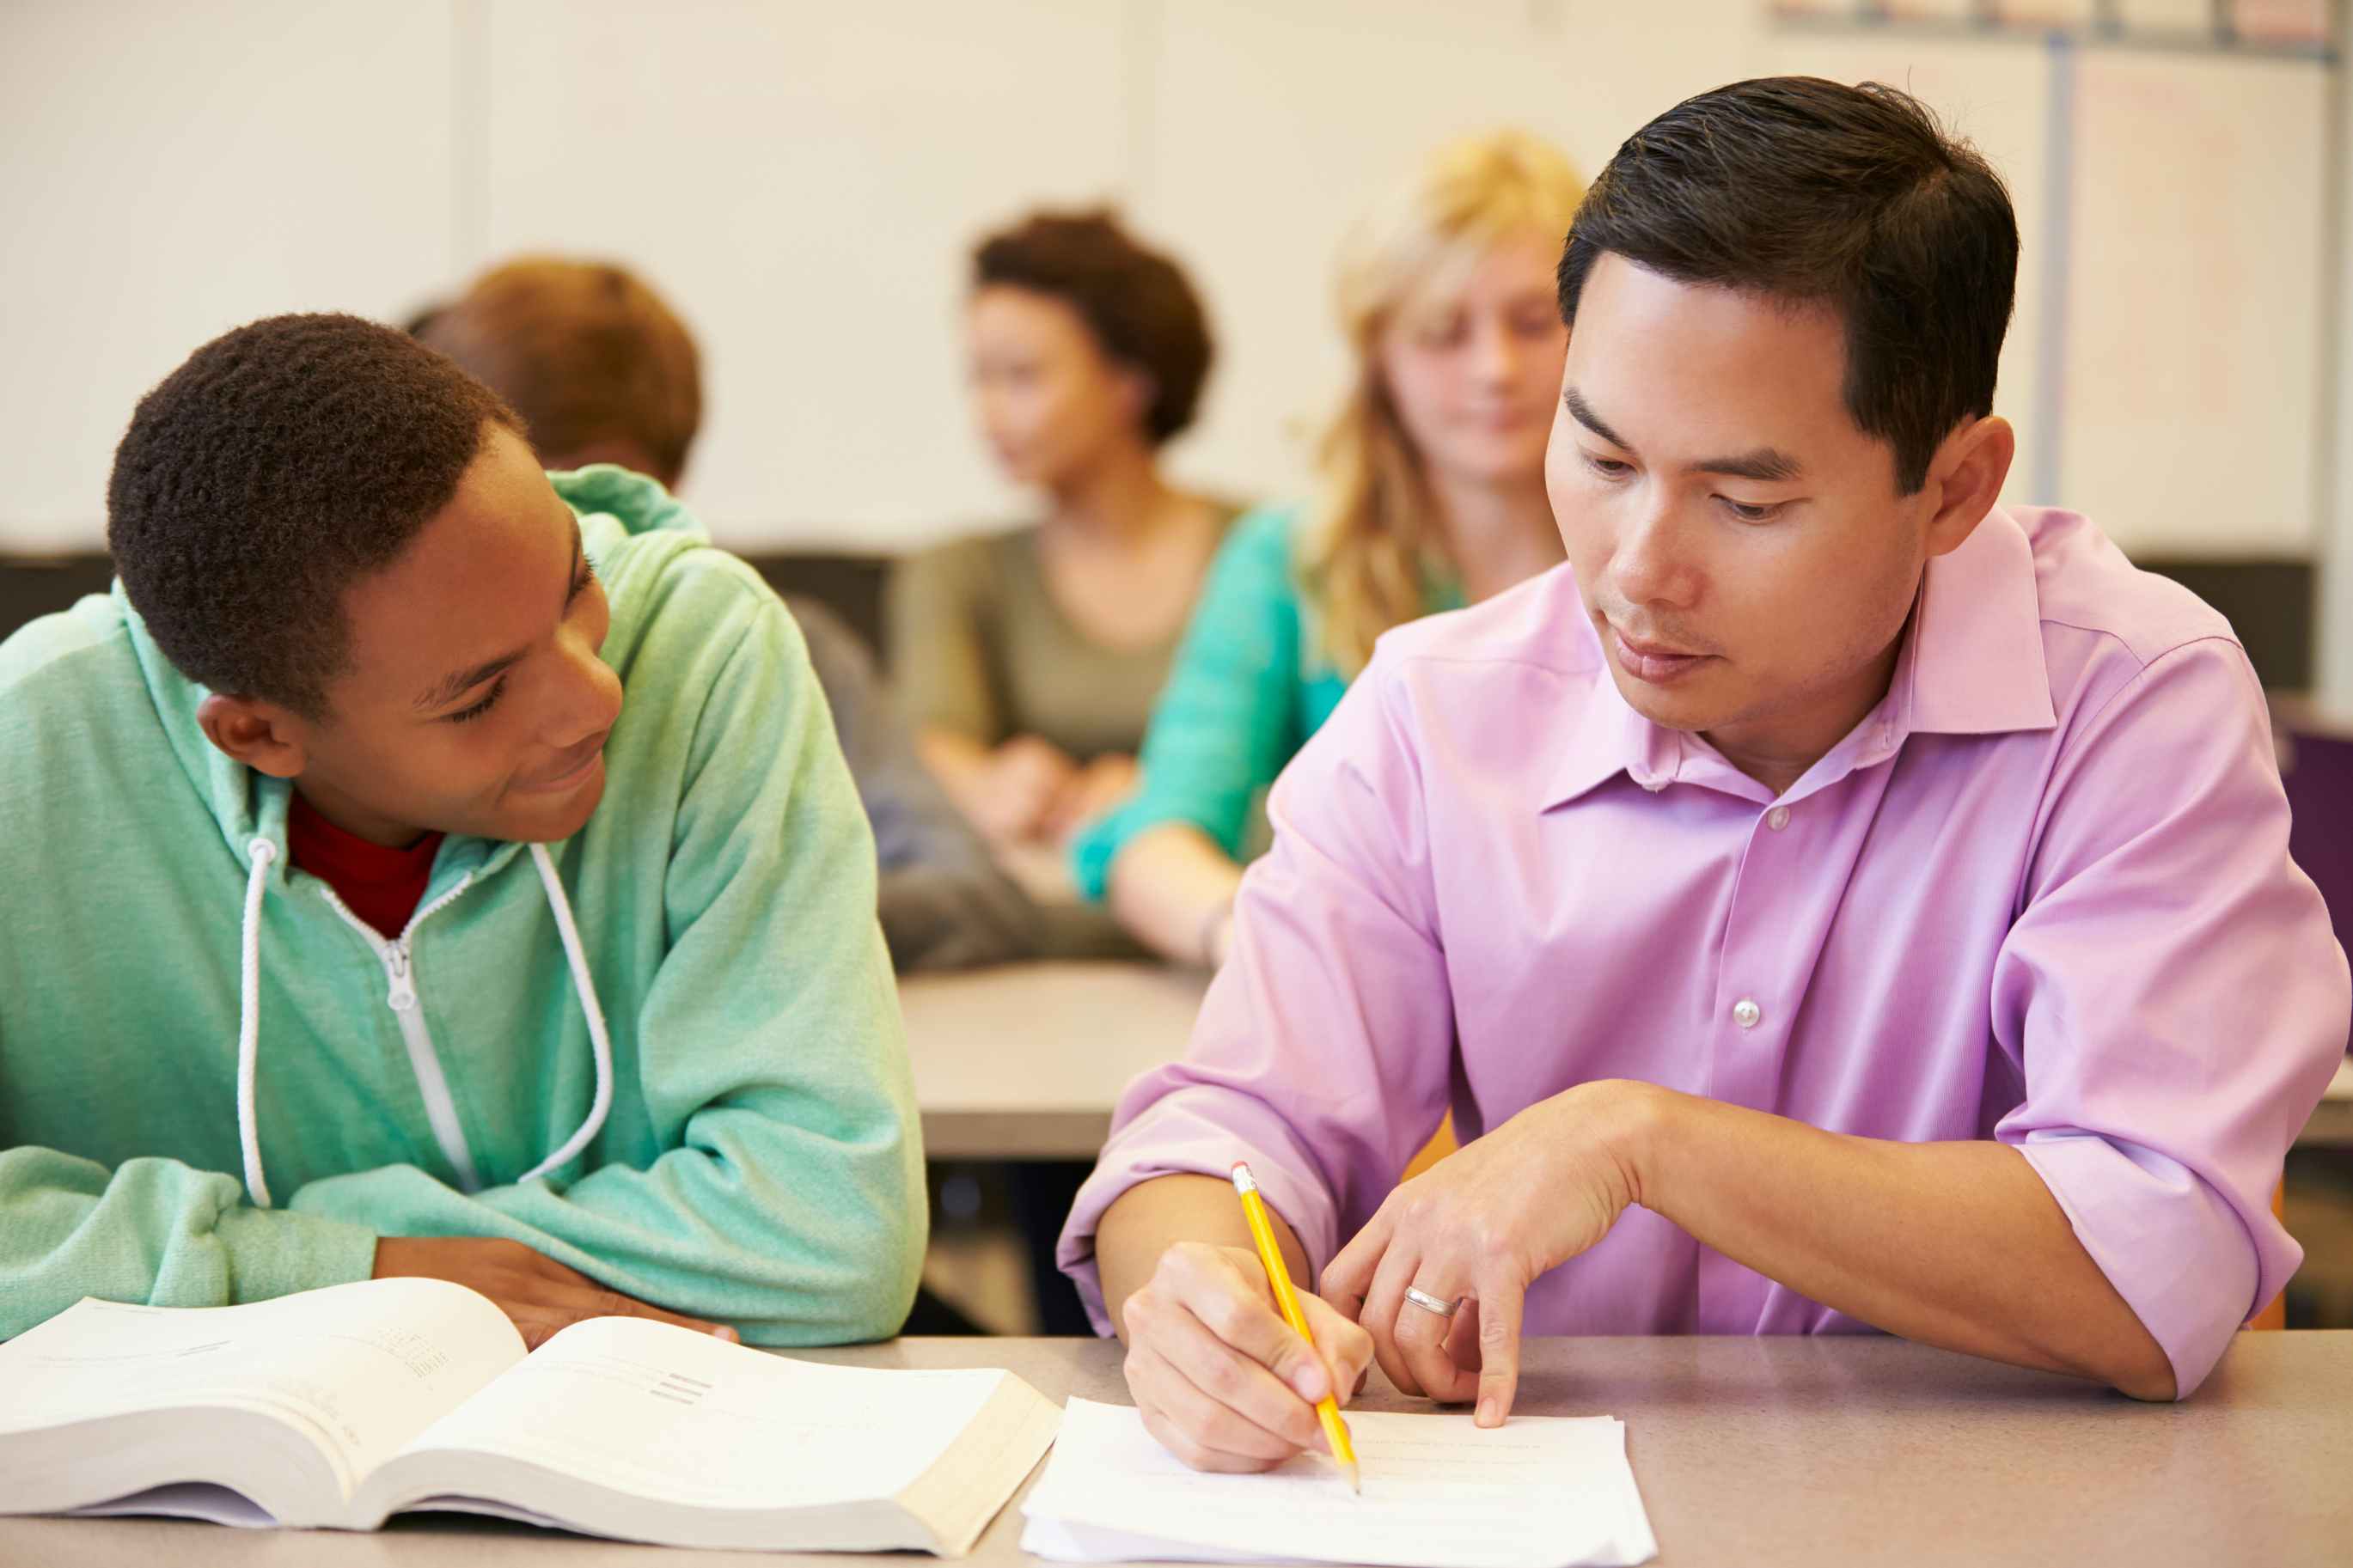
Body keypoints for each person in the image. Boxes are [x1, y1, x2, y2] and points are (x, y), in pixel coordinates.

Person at [1061, 77, 2350, 1473]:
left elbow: (2153, 1252)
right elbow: (1228, 1128)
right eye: (1599, 455)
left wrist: (1645, 1145)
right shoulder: (1438, 711)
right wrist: (1193, 1291)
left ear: (1957, 490)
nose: (1634, 568)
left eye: (1744, 503)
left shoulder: (2127, 697)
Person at [0, 314, 925, 1347]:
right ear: (259, 732)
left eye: (577, 585)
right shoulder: (26, 751)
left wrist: (300, 1265)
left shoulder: (707, 649)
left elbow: (835, 1237)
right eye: (481, 694)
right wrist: (349, 1267)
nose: (596, 698)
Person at [416, 256, 1037, 973]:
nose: (553, 546)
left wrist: (717, 919)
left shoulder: (776, 641)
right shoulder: (392, 663)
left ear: (661, 488)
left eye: (590, 504)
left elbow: (977, 898)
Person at [1073, 131, 1584, 966]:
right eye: (1440, 332)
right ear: (1378, 358)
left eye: (1533, 323)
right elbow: (1156, 837)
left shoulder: (1659, 557)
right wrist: (1262, 941)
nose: (1492, 368)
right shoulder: (1286, 560)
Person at [895, 210, 1238, 855]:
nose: (987, 413)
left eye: (1022, 376)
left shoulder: (1268, 550)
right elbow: (932, 742)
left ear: (1130, 382)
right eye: (979, 377)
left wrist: (1179, 791)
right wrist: (990, 786)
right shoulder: (958, 571)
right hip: (1041, 914)